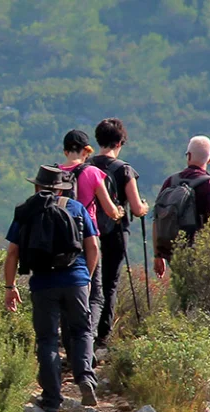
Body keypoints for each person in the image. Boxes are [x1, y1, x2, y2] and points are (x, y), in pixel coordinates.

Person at [4, 164, 104, 412]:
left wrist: (10, 286)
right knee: (81, 330)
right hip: (76, 280)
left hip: (42, 283)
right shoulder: (77, 208)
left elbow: (13, 252)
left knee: (47, 339)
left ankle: (51, 399)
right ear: (61, 189)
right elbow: (93, 247)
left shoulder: (26, 211)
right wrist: (87, 278)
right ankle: (85, 379)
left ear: (37, 187)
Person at [83, 119, 150, 349]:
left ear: (98, 139)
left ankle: (83, 332)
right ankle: (102, 337)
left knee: (88, 281)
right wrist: (145, 206)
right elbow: (136, 208)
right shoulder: (124, 170)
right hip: (115, 232)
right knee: (109, 283)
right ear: (120, 141)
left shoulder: (86, 166)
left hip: (87, 231)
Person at [54, 130, 121, 349]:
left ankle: (70, 346)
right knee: (95, 294)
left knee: (65, 293)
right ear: (86, 151)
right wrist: (120, 212)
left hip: (58, 241)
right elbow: (110, 211)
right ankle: (87, 342)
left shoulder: (52, 174)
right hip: (87, 239)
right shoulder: (92, 173)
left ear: (65, 151)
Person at [151, 135, 210, 279]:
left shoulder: (171, 182)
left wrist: (158, 255)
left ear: (188, 155)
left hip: (173, 251)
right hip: (200, 255)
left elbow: (157, 220)